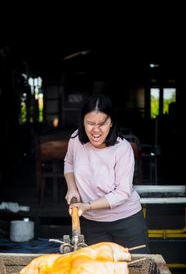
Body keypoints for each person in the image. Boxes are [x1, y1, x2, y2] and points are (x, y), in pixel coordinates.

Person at [64, 94, 150, 253]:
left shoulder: (122, 149)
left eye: (102, 124)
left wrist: (87, 206)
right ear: (83, 121)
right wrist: (72, 188)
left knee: (136, 270)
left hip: (126, 221)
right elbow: (69, 162)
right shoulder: (76, 139)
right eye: (90, 123)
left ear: (111, 122)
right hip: (91, 223)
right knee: (97, 273)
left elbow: (122, 193)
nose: (95, 130)